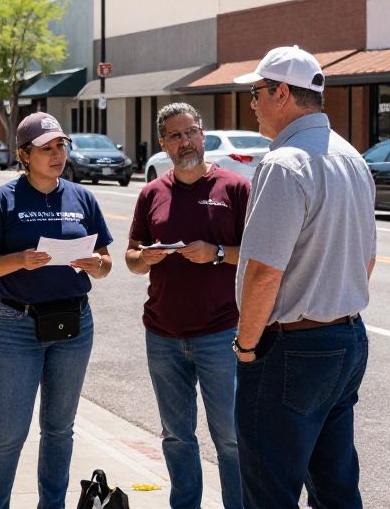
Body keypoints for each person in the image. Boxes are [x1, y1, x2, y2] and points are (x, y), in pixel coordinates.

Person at [231, 46, 376, 509]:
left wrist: (247, 346)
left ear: (281, 93)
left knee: (268, 491)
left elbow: (264, 273)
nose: (251, 104)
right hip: (347, 338)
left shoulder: (285, 163)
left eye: (256, 93)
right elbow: (367, 260)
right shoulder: (351, 157)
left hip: (291, 348)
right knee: (335, 489)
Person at [0, 111, 113, 509]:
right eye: (45, 148)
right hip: (17, 324)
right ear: (24, 154)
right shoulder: (2, 200)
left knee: (59, 429)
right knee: (10, 431)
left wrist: (95, 265)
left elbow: (105, 264)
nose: (56, 155)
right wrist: (20, 260)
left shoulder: (82, 197)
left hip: (74, 324)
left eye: (60, 146)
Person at [126, 102, 249, 509]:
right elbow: (130, 257)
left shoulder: (234, 188)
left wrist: (215, 253)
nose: (185, 142)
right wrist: (146, 257)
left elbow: (256, 255)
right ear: (163, 143)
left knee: (230, 437)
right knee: (177, 436)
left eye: (191, 132)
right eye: (175, 136)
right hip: (162, 334)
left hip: (220, 333)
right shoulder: (152, 193)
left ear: (203, 133)